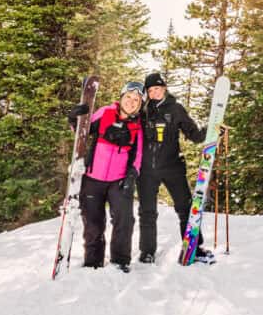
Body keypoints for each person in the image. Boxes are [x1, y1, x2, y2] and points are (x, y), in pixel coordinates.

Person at [137, 72, 214, 264]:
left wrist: (212, 130)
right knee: (147, 212)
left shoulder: (176, 109)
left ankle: (193, 247)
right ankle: (147, 252)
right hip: (146, 170)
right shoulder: (142, 111)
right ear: (147, 92)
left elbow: (194, 135)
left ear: (164, 88)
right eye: (151, 90)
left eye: (158, 88)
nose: (155, 92)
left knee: (185, 208)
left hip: (172, 166)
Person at [68, 81, 144, 273]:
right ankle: (93, 262)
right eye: (128, 97)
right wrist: (73, 119)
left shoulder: (138, 125)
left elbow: (138, 154)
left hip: (118, 181)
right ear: (121, 97)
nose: (131, 102)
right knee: (93, 223)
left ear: (140, 104)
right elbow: (82, 133)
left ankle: (120, 261)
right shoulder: (105, 113)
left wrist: (132, 175)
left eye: (136, 100)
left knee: (124, 220)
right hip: (93, 178)